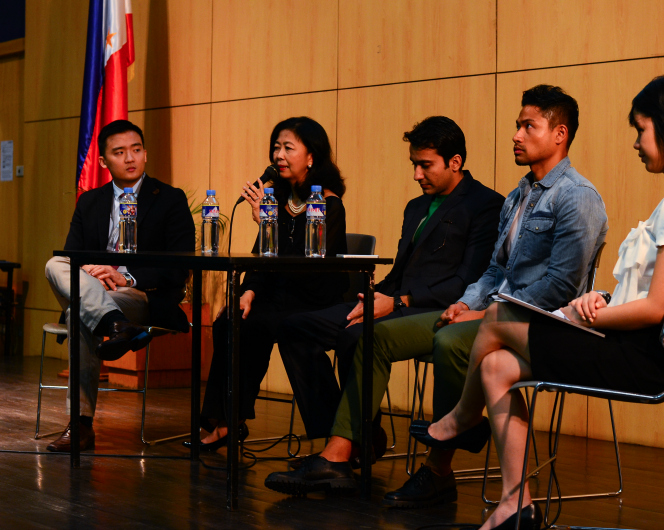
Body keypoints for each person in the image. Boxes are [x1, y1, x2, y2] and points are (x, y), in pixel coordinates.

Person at [414, 74, 664, 530]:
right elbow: (647, 294)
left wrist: (597, 311)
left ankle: (462, 417)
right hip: (629, 341)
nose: (636, 144)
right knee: (494, 366)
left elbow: (656, 309)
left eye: (641, 130)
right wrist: (602, 299)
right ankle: (515, 506)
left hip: (641, 355)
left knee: (499, 315)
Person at [264, 87, 609, 500]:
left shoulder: (577, 197)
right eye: (517, 124)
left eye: (527, 125)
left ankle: (438, 467)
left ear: (559, 134)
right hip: (493, 311)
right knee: (376, 336)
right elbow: (496, 269)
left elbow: (561, 286)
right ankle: (341, 451)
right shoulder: (519, 196)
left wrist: (483, 314)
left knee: (449, 339)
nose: (516, 134)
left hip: (536, 323)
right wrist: (466, 303)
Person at [262, 116, 505, 490]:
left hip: (438, 309)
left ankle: (340, 452)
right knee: (295, 327)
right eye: (414, 164)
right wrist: (375, 295)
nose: (416, 174)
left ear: (455, 162)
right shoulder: (414, 206)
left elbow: (466, 282)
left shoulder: (485, 205)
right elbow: (401, 270)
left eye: (425, 165)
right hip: (398, 301)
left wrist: (398, 300)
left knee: (359, 336)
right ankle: (346, 436)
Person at [186, 117, 349, 451]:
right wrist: (248, 291)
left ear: (311, 157)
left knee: (288, 328)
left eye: (288, 147)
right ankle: (228, 422)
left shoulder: (329, 204)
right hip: (278, 298)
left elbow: (307, 268)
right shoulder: (279, 199)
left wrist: (267, 221)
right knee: (232, 321)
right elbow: (263, 258)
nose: (279, 155)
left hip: (315, 301)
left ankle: (335, 439)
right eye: (276, 147)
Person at [44, 119, 195, 452]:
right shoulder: (90, 202)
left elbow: (179, 265)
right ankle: (115, 325)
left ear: (145, 154)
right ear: (103, 161)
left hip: (140, 295)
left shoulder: (170, 199)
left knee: (78, 315)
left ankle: (80, 426)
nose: (130, 158)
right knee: (54, 264)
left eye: (137, 150)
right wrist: (95, 273)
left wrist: (125, 276)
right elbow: (72, 256)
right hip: (96, 289)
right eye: (120, 152)